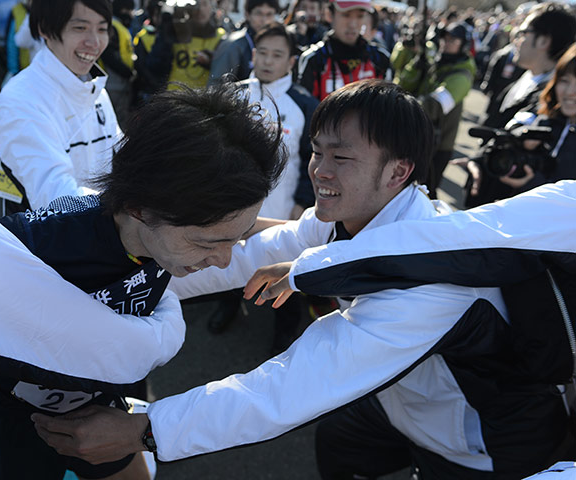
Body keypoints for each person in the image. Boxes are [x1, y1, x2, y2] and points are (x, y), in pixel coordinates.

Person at [32, 81, 573, 480]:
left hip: (480, 446)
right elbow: (248, 254)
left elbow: (289, 386)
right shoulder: (351, 218)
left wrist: (148, 429)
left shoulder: (431, 288)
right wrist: (109, 289)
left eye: (342, 157)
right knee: (339, 443)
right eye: (316, 151)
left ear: (399, 172)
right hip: (395, 404)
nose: (320, 171)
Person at [0, 82, 286, 480]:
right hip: (8, 423)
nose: (223, 261)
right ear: (138, 207)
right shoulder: (31, 247)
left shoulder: (175, 223)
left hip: (103, 408)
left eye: (234, 238)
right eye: (207, 242)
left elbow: (249, 228)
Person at [233, 21, 318, 350]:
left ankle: (284, 336)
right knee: (229, 269)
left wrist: (302, 204)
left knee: (286, 280)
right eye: (262, 53)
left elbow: (314, 159)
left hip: (282, 211)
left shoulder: (305, 104)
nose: (268, 61)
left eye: (277, 55)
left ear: (291, 62)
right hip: (235, 209)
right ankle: (230, 308)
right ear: (253, 55)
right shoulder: (234, 93)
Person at [0, 0, 121, 214]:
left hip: (102, 234)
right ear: (45, 28)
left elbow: (120, 155)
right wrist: (131, 204)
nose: (95, 42)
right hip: (46, 244)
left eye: (102, 29)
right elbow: (57, 200)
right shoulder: (21, 99)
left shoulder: (96, 90)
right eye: (80, 28)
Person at [464, 2, 576, 207]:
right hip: (483, 188)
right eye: (565, 81)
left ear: (543, 40)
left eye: (523, 32)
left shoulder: (552, 104)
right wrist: (479, 158)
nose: (516, 38)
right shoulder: (523, 76)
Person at [394, 21, 476, 198]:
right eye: (445, 39)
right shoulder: (436, 64)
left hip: (438, 146)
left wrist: (398, 105)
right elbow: (403, 84)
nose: (446, 43)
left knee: (426, 192)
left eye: (453, 40)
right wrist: (417, 65)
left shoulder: (462, 77)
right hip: (419, 136)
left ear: (464, 45)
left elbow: (433, 107)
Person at [297, 0, 391, 101]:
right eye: (346, 15)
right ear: (329, 14)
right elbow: (306, 111)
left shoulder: (380, 57)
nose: (353, 24)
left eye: (360, 16)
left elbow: (386, 108)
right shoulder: (314, 59)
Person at [139, 0, 225, 91]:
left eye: (204, 4)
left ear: (212, 7)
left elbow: (226, 72)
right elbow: (155, 66)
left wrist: (211, 61)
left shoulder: (220, 36)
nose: (200, 9)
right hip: (173, 96)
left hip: (203, 99)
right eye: (196, 4)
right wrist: (166, 26)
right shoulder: (175, 32)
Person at [207, 0, 278, 84]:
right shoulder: (233, 44)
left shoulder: (279, 43)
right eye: (259, 14)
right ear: (247, 15)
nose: (264, 20)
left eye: (269, 14)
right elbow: (216, 86)